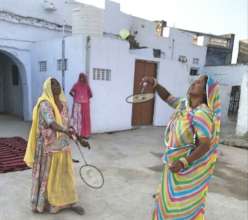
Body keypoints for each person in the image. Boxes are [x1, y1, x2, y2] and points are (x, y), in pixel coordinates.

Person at [143, 75, 221, 220]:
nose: (193, 84)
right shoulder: (184, 105)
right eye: (194, 81)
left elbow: (205, 145)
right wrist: (156, 84)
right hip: (173, 168)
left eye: (198, 83)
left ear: (205, 93)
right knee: (166, 204)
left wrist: (183, 162)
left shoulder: (202, 114)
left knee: (179, 210)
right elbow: (168, 97)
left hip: (185, 171)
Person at [24, 77, 85, 215]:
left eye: (57, 83)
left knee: (64, 173)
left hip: (62, 144)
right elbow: (51, 123)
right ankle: (48, 202)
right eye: (52, 84)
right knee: (49, 174)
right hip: (48, 145)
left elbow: (68, 124)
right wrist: (65, 130)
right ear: (47, 88)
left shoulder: (64, 104)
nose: (56, 85)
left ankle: (68, 201)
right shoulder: (44, 104)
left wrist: (79, 139)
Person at [70, 73, 92, 139]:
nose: (82, 79)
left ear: (85, 78)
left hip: (85, 105)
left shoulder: (87, 86)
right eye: (81, 77)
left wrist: (85, 98)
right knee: (77, 119)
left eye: (83, 77)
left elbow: (90, 95)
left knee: (85, 119)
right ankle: (77, 134)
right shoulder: (76, 85)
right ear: (79, 78)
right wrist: (76, 97)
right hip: (77, 104)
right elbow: (71, 92)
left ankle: (85, 134)